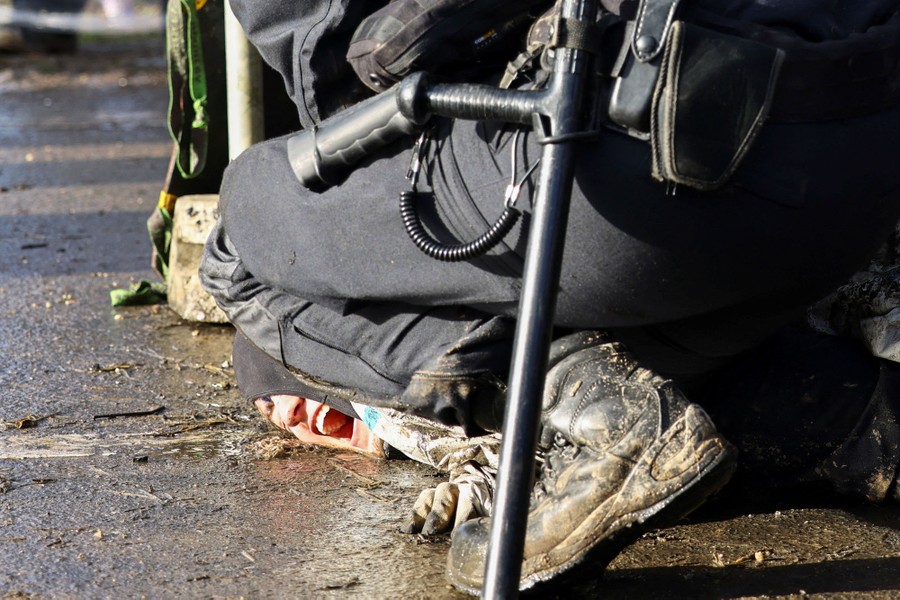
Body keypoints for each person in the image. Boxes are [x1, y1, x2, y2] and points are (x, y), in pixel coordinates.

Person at [199, 0, 900, 593]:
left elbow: (371, 61)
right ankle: (839, 407)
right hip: (859, 166)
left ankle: (601, 417)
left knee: (252, 238)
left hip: (668, 155)